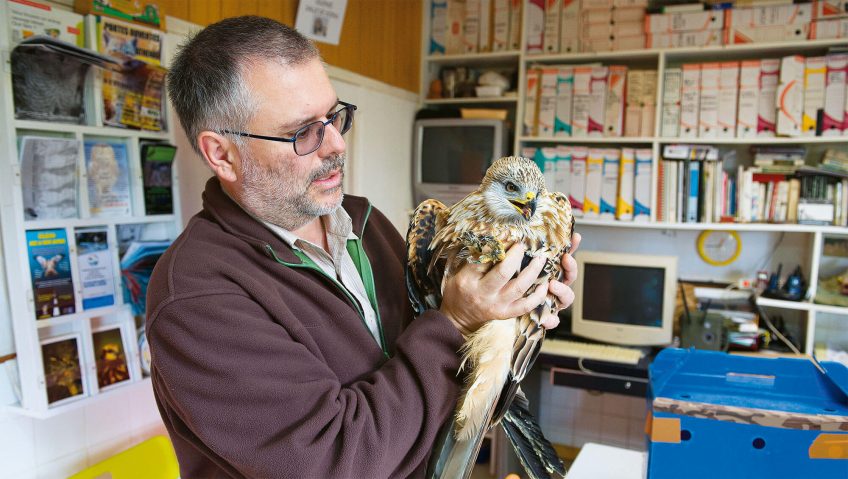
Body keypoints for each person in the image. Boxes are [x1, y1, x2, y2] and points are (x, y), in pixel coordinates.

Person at [147, 15, 581, 479]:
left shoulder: (363, 222)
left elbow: (431, 380)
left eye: (335, 117)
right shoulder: (196, 297)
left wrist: (512, 311)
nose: (336, 144)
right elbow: (334, 460)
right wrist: (457, 321)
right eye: (303, 132)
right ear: (222, 154)